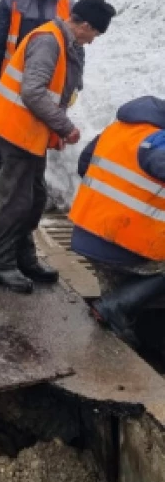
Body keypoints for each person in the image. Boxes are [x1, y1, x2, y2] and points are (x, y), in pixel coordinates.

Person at [0, 0, 116, 293]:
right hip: (17, 130)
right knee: (17, 201)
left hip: (31, 133)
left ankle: (23, 257)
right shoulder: (49, 41)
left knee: (33, 197)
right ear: (83, 24)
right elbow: (32, 91)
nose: (92, 40)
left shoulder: (62, 41)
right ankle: (2, 264)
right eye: (94, 33)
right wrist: (64, 125)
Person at [0, 0, 75, 212]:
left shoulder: (65, 6)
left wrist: (75, 85)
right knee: (2, 136)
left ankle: (30, 192)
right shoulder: (13, 1)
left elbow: (76, 49)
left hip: (45, 86)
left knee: (38, 137)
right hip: (11, 83)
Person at [69, 97, 165, 344]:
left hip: (89, 236)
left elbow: (83, 164)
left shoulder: (115, 129)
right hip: (122, 244)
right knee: (122, 298)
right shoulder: (156, 140)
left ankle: (121, 329)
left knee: (118, 297)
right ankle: (116, 309)